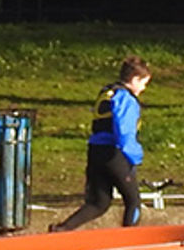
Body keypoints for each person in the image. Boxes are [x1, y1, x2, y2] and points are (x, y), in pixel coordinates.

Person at [50, 56, 151, 232]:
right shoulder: (126, 99)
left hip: (95, 151)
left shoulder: (108, 92)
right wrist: (135, 157)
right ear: (135, 79)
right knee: (133, 200)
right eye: (143, 83)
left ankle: (62, 229)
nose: (144, 88)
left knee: (99, 203)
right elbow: (124, 131)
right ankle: (129, 238)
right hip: (114, 154)